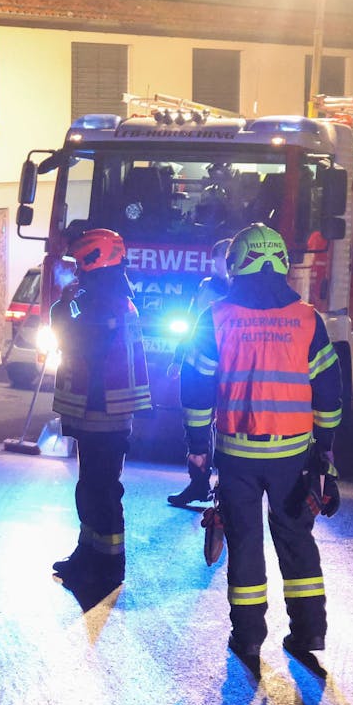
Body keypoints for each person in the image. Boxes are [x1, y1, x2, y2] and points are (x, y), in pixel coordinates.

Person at [180, 223, 343, 668]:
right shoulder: (307, 319)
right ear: (282, 265)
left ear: (236, 265)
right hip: (293, 455)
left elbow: (195, 388)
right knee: (296, 541)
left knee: (246, 542)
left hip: (237, 456)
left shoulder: (215, 317)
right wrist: (324, 451)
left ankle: (249, 638)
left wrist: (198, 447)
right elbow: (328, 392)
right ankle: (309, 631)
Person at [49, 228, 152, 590]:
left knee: (102, 489)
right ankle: (88, 553)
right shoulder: (108, 294)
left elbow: (74, 339)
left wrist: (62, 306)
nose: (76, 269)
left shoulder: (104, 299)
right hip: (98, 409)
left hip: (104, 411)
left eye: (80, 261)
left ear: (94, 257)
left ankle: (108, 564)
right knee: (91, 487)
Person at [167, 237, 234, 507]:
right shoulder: (206, 287)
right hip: (202, 363)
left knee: (225, 428)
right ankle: (198, 484)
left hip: (229, 368)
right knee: (197, 426)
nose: (218, 263)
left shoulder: (240, 291)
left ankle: (225, 490)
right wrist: (178, 356)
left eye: (222, 257)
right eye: (216, 258)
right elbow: (193, 322)